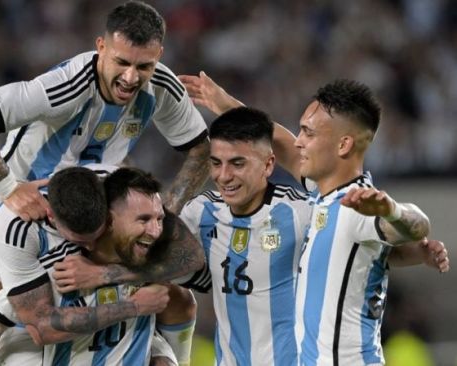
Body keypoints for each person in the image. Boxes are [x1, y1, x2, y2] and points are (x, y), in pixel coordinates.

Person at [0, 1, 209, 363]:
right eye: (121, 62)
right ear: (100, 47)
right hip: (17, 209)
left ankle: (163, 354)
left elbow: (201, 151)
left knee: (175, 294)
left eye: (144, 66)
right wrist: (9, 188)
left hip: (92, 212)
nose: (132, 78)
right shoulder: (67, 86)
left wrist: (163, 214)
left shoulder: (162, 86)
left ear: (159, 56)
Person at [179, 74, 447, 365]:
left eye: (308, 133)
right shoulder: (323, 198)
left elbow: (418, 224)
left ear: (343, 145)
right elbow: (281, 145)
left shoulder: (356, 204)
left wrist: (392, 211)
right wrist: (228, 106)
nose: (299, 143)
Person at [0, 166, 207, 365]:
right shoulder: (59, 271)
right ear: (110, 220)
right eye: (143, 221)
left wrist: (165, 357)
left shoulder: (154, 260)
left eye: (159, 220)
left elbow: (193, 265)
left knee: (183, 299)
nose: (155, 231)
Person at [177, 107, 311, 365]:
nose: (224, 176)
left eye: (237, 163)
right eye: (216, 163)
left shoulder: (299, 213)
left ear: (268, 164)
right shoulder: (202, 212)